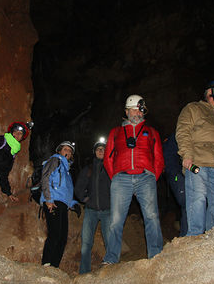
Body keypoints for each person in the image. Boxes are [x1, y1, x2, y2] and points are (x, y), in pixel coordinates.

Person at [102, 95, 164, 264]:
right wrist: (115, 175)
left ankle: (156, 256)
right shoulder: (115, 132)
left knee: (151, 216)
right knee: (115, 220)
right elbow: (108, 158)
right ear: (127, 111)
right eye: (133, 109)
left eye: (139, 109)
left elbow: (158, 158)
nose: (136, 113)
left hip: (145, 177)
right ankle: (111, 259)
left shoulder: (152, 132)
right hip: (121, 178)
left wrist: (152, 176)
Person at [175, 80, 214, 236]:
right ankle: (195, 237)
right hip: (198, 162)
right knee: (198, 200)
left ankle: (211, 238)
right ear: (209, 93)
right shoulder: (193, 108)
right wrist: (187, 155)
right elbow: (183, 131)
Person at [40, 141, 80, 268]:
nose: (67, 152)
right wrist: (48, 199)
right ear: (59, 151)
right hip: (53, 201)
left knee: (62, 238)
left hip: (63, 204)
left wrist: (73, 204)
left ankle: (54, 266)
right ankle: (46, 263)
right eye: (65, 149)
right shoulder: (55, 160)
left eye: (69, 150)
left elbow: (67, 191)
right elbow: (45, 177)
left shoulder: (67, 170)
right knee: (55, 234)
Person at [74, 137, 111, 274]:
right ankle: (84, 272)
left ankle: (112, 268)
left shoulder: (111, 168)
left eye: (103, 149)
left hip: (108, 210)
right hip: (91, 211)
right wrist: (84, 198)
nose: (101, 151)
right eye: (98, 149)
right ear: (94, 152)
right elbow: (78, 187)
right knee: (86, 243)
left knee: (109, 241)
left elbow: (119, 187)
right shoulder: (88, 169)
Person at [162, 134, 188, 237]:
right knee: (186, 201)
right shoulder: (174, 138)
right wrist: (175, 173)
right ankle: (185, 234)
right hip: (177, 175)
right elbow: (168, 159)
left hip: (187, 175)